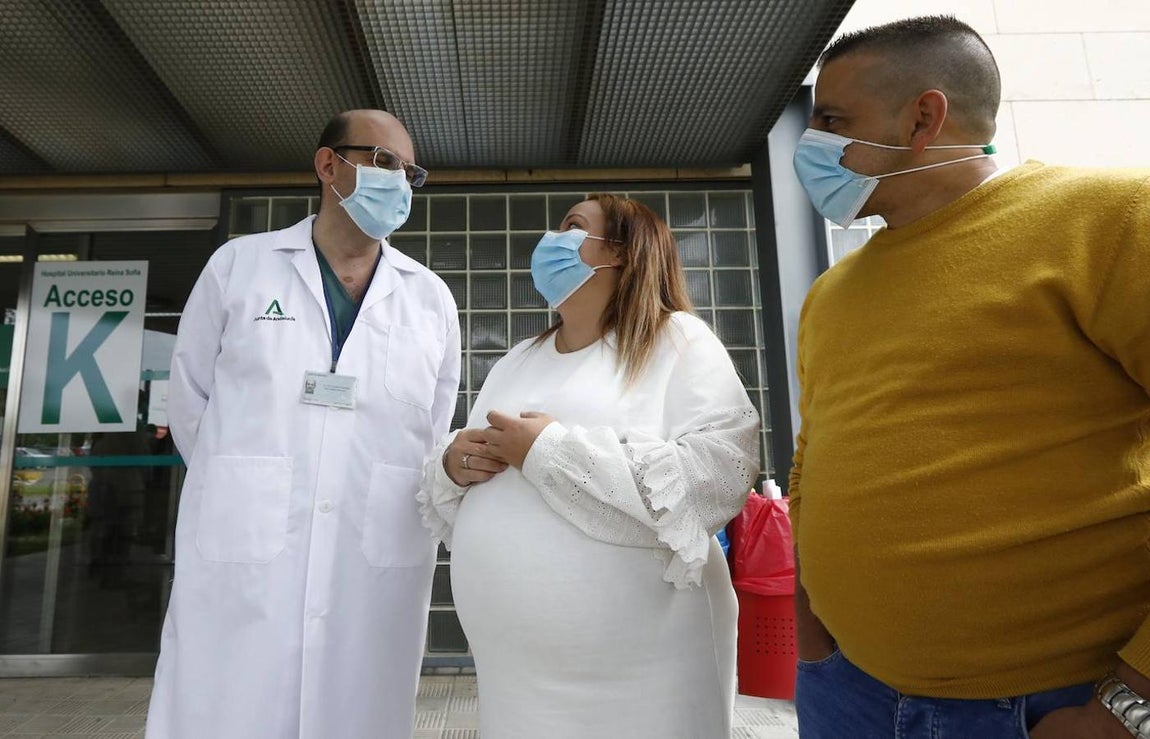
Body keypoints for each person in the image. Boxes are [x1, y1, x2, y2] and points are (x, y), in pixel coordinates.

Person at [788, 15, 1150, 739]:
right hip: (846, 691)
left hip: (1051, 707)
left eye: (831, 119)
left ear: (924, 117)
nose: (810, 145)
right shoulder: (833, 290)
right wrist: (811, 637)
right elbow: (812, 461)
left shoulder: (1108, 219)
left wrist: (1128, 702)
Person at [146, 110, 460, 739]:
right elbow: (190, 402)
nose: (399, 182)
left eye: (409, 172)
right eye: (384, 162)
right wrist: (244, 480)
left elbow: (432, 427)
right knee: (226, 710)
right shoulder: (241, 267)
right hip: (245, 555)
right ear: (328, 165)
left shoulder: (428, 298)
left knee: (358, 711)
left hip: (371, 562)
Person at [418, 193, 760, 737]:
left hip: (642, 673)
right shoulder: (517, 360)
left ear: (621, 252)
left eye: (572, 227)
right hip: (515, 676)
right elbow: (465, 467)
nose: (551, 240)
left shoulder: (678, 340)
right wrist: (455, 464)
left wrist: (550, 452)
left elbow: (720, 475)